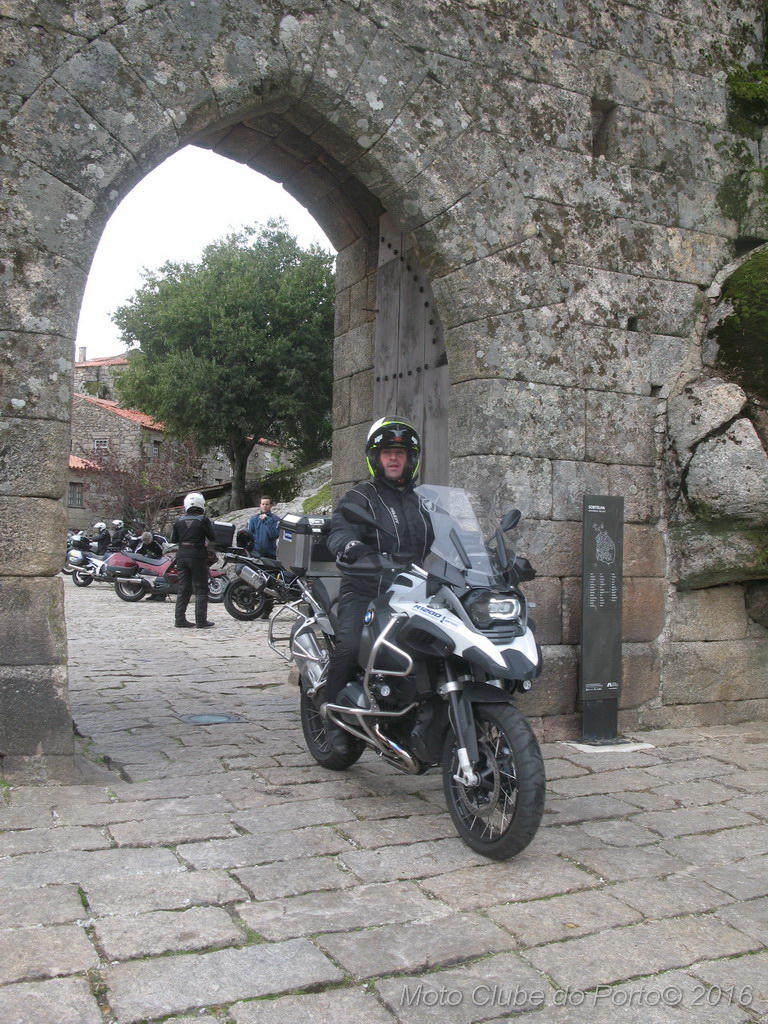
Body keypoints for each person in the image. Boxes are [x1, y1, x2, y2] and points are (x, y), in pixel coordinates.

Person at [323, 416, 433, 754]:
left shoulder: (424, 501)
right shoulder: (360, 497)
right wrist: (351, 546)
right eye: (387, 452)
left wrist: (478, 553)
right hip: (366, 588)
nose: (394, 458)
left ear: (411, 459)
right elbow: (339, 528)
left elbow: (451, 535)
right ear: (376, 458)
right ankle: (333, 718)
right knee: (349, 646)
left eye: (401, 453)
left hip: (413, 590)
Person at [170, 492, 216, 629]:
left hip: (182, 555)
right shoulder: (203, 519)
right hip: (197, 555)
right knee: (201, 588)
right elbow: (212, 537)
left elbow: (173, 539)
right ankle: (201, 620)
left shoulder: (179, 520)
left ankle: (179, 619)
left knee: (184, 588)